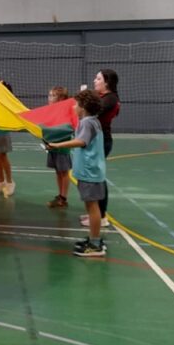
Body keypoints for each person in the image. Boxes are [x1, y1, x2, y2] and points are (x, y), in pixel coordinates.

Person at [48, 90, 107, 257]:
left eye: (76, 104)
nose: (74, 107)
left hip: (89, 172)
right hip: (90, 171)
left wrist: (58, 145)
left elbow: (81, 141)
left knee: (92, 207)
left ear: (83, 107)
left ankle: (95, 245)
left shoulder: (87, 123)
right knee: (91, 206)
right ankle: (93, 239)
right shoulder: (91, 121)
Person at [81, 68, 120, 228]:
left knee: (97, 178)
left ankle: (101, 215)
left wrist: (84, 98)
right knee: (94, 177)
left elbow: (92, 111)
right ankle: (95, 212)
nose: (94, 81)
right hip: (96, 141)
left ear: (107, 82)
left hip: (102, 142)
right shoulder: (103, 97)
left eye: (98, 79)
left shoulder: (110, 99)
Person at [45, 86, 72, 209]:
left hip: (62, 148)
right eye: (49, 95)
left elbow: (66, 129)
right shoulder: (49, 111)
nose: (50, 98)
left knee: (64, 172)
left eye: (53, 96)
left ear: (61, 99)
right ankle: (60, 195)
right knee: (57, 171)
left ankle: (63, 197)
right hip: (52, 147)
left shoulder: (65, 112)